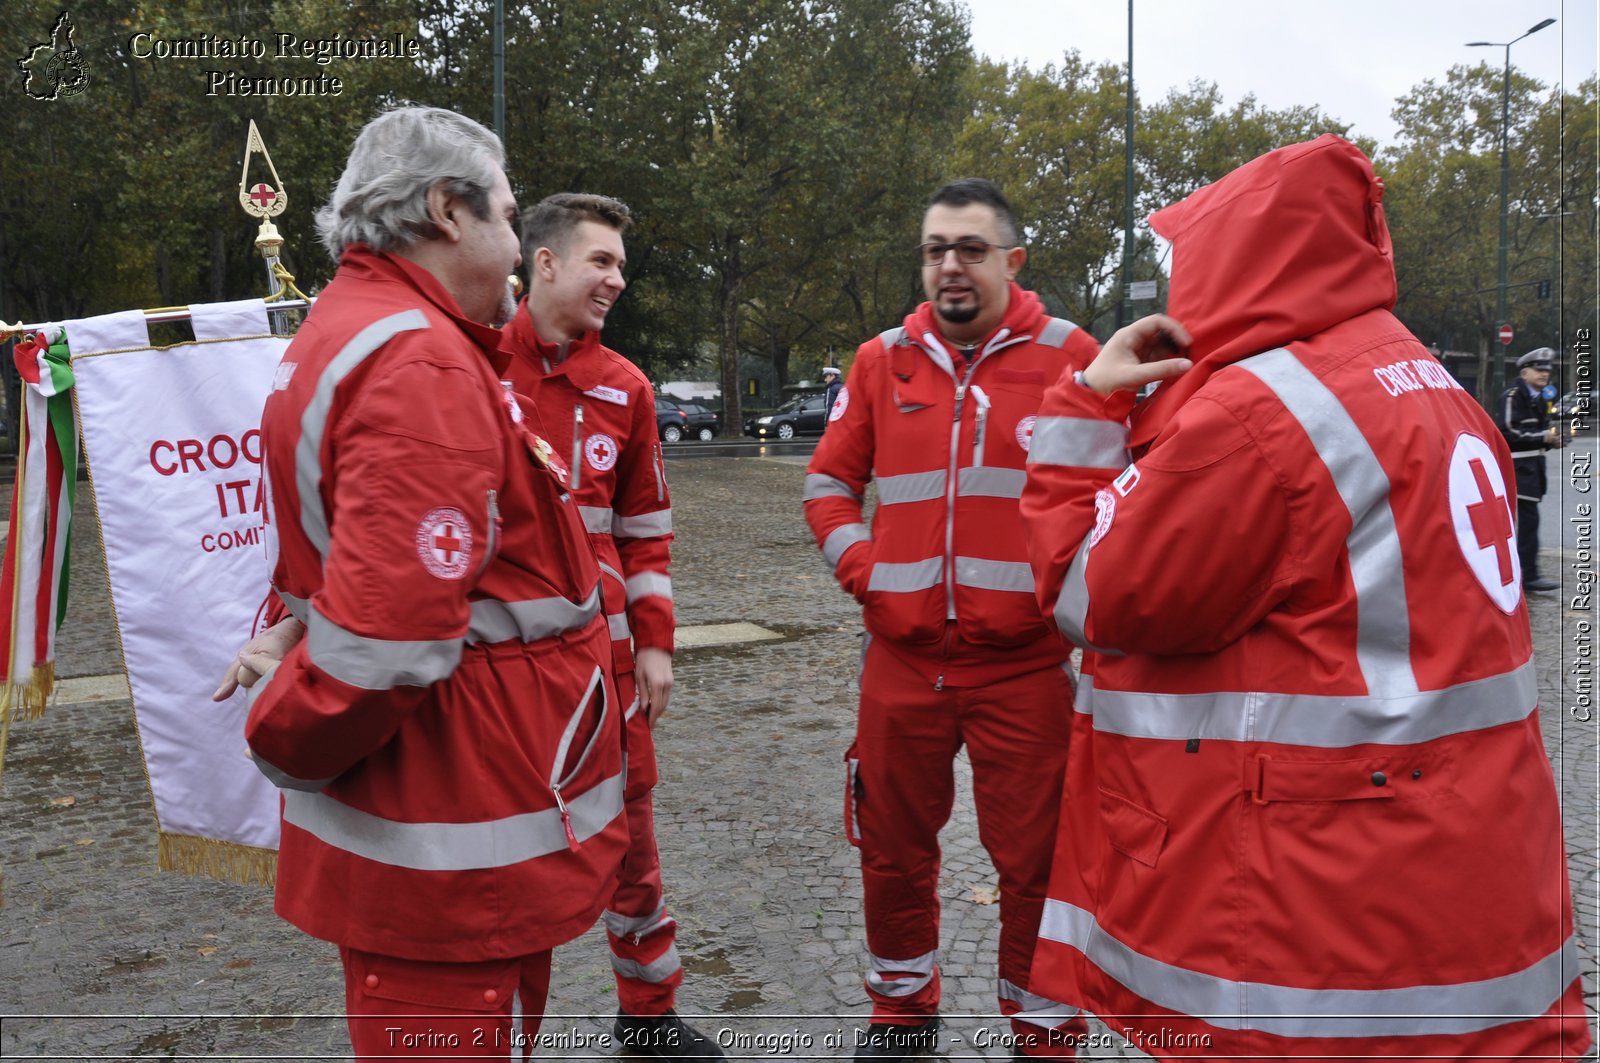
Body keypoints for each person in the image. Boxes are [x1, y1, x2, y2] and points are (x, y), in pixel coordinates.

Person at [1020, 135, 1589, 1061]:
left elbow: (1093, 592)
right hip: (1461, 863)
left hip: (1323, 908)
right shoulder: (1428, 381)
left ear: (1238, 254)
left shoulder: (1260, 414)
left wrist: (1084, 404)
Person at [218, 106, 629, 1059]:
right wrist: (284, 735)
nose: (519, 248)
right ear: (448, 210)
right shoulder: (419, 359)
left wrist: (297, 633)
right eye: (506, 215)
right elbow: (391, 637)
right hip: (452, 834)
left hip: (446, 823)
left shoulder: (363, 329)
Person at [804, 178, 1099, 1060]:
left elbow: (1136, 490)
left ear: (1012, 260)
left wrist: (1076, 596)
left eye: (970, 248)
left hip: (1025, 668)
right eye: (935, 248)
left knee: (1038, 866)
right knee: (892, 852)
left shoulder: (1073, 357)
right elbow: (826, 485)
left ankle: (1044, 1032)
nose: (949, 266)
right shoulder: (878, 359)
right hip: (901, 662)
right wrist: (868, 573)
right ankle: (900, 1015)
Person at [499, 193, 722, 1059]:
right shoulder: (474, 370)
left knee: (631, 838)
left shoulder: (625, 387)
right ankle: (506, 1032)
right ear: (543, 262)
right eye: (602, 261)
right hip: (511, 675)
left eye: (621, 265)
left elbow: (646, 532)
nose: (617, 279)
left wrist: (657, 643)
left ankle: (650, 1014)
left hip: (612, 668)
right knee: (518, 849)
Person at [1499, 346, 1566, 592]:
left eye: (1546, 371)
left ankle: (1525, 573)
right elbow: (1508, 432)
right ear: (1524, 372)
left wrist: (1552, 441)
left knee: (1528, 522)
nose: (1544, 374)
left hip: (1533, 469)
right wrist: (1543, 437)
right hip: (1517, 468)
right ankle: (1527, 575)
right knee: (1527, 522)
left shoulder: (1541, 399)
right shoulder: (1513, 396)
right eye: (1538, 370)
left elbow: (1537, 436)